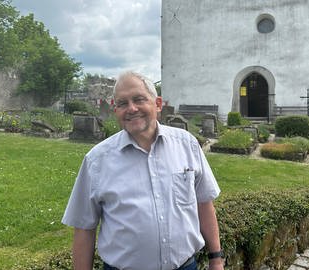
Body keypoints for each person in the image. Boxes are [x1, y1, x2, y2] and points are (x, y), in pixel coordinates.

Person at [62, 71, 224, 270]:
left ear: (157, 104)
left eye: (139, 99)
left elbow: (204, 204)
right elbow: (84, 228)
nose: (131, 108)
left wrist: (216, 258)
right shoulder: (97, 161)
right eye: (122, 103)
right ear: (115, 110)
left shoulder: (187, 145)